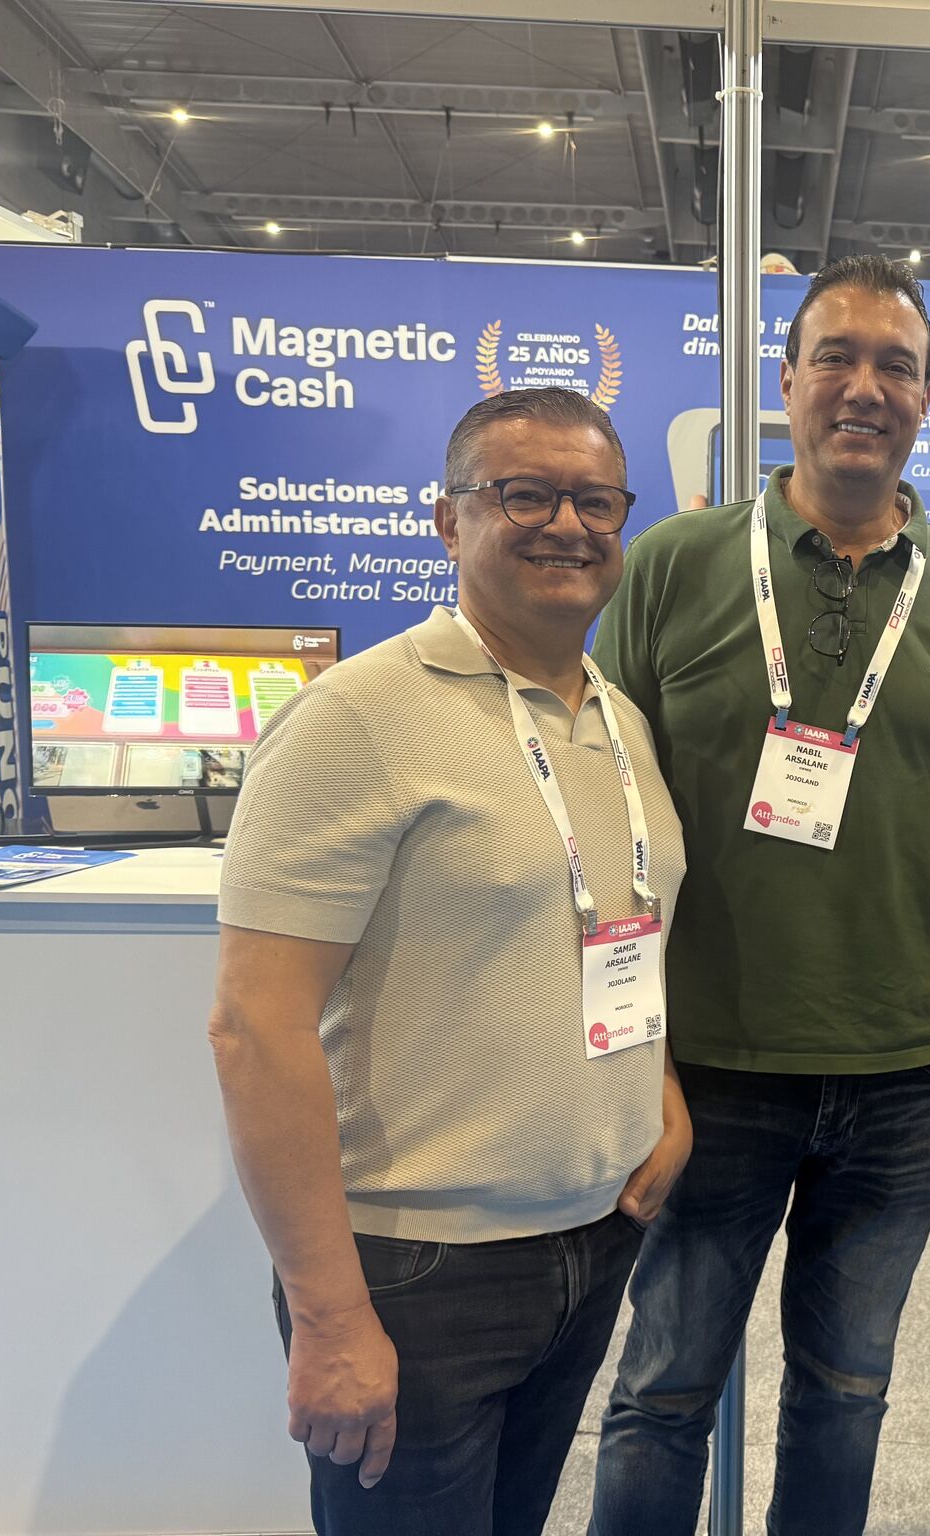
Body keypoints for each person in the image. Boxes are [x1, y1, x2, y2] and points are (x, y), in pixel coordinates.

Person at [588, 254, 930, 1536]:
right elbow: (604, 815)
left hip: (904, 1078)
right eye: (836, 358)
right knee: (661, 1390)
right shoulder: (673, 565)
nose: (863, 387)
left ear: (927, 398)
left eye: (894, 365)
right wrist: (631, 1048)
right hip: (708, 1068)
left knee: (846, 1394)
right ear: (785, 379)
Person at [207, 387, 691, 1534]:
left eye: (595, 501)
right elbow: (254, 1027)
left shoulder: (616, 719)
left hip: (588, 1241)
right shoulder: (356, 718)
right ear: (447, 518)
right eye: (524, 494)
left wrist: (658, 1093)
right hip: (417, 1272)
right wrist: (329, 1316)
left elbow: (602, 938)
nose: (566, 524)